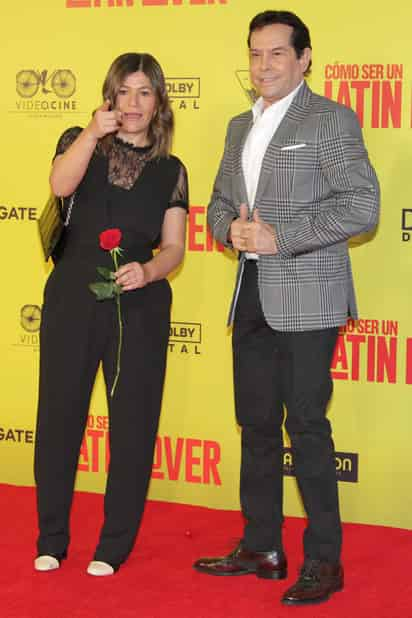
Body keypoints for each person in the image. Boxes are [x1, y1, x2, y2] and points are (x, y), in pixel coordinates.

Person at [193, 10, 379, 606]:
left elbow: (362, 206)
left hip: (309, 293)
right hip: (249, 290)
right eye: (254, 54)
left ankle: (324, 558)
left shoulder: (330, 120)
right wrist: (233, 232)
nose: (263, 65)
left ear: (304, 59)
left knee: (306, 424)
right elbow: (220, 201)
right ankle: (261, 545)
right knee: (254, 422)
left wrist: (280, 235)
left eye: (277, 53)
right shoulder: (235, 127)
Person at [34, 52, 188, 576]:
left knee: (134, 426)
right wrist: (89, 135)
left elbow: (174, 248)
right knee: (58, 420)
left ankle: (113, 545)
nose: (133, 103)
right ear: (109, 96)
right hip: (73, 298)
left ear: (159, 101)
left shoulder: (171, 169)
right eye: (124, 91)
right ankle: (51, 538)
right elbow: (59, 185)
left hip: (139, 307)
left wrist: (149, 271)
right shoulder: (80, 141)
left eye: (144, 92)